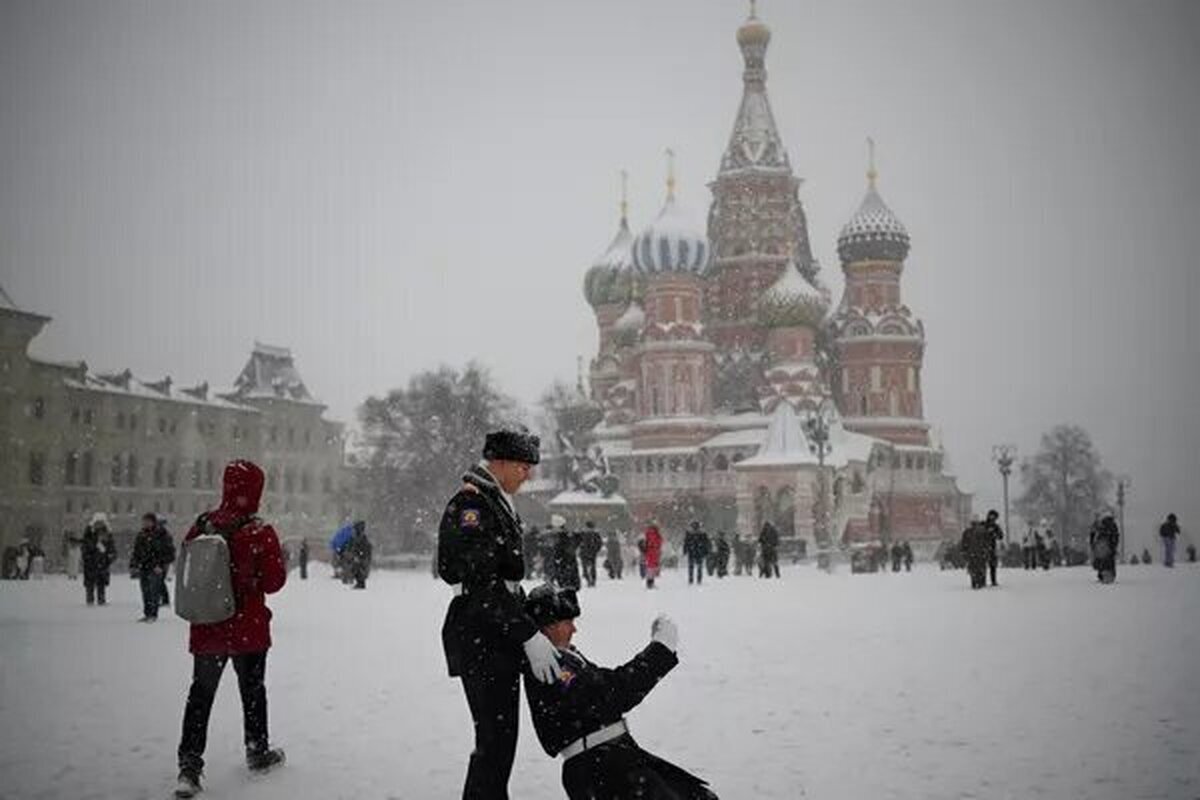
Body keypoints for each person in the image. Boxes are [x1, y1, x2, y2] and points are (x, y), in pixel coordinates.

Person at [436, 428, 562, 800]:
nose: (529, 475)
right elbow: (482, 586)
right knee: (494, 739)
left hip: (494, 629)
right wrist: (527, 634)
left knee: (501, 738)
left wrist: (540, 618)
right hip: (481, 632)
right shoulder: (472, 505)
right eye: (524, 467)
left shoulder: (493, 499)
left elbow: (502, 582)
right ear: (501, 462)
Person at [521, 585, 718, 799]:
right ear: (548, 628)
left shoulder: (564, 656)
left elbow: (607, 687)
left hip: (612, 759)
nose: (574, 630)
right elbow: (612, 693)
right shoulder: (549, 665)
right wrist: (660, 651)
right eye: (567, 623)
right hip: (600, 768)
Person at [175, 460, 287, 798]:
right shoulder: (259, 530)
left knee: (200, 695)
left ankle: (189, 766)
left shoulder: (202, 525)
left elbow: (187, 567)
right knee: (253, 692)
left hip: (208, 625)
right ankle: (257, 749)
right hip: (247, 628)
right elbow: (275, 580)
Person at [130, 512, 175, 622]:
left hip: (156, 567)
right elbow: (136, 552)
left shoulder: (162, 534)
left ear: (153, 522)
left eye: (147, 521)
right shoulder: (141, 535)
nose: (145, 524)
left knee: (154, 591)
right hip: (144, 567)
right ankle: (147, 613)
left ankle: (153, 614)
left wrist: (161, 565)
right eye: (144, 521)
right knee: (145, 592)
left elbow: (169, 552)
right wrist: (134, 564)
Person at [81, 513, 116, 605]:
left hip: (102, 562)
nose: (99, 525)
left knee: (101, 583)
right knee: (90, 583)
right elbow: (84, 546)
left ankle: (101, 599)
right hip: (91, 562)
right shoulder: (89, 533)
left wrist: (110, 557)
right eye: (97, 523)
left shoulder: (107, 534)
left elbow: (112, 547)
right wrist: (92, 548)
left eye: (101, 523)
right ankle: (90, 599)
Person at [550, 515, 582, 591]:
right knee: (569, 583)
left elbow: (559, 550)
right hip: (569, 563)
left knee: (565, 584)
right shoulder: (568, 536)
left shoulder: (561, 537)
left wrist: (557, 558)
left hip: (564, 563)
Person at [1090, 510, 1120, 584]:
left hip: (1101, 546)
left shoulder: (1100, 524)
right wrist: (1114, 545)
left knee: (1102, 561)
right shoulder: (1112, 524)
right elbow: (1115, 536)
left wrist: (1093, 545)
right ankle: (1108, 576)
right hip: (1107, 546)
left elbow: (1093, 534)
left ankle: (1103, 576)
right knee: (1109, 561)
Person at [961, 515, 989, 590]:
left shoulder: (967, 532)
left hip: (973, 553)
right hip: (979, 553)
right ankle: (980, 581)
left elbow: (964, 543)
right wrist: (986, 551)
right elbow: (986, 542)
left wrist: (964, 552)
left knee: (974, 568)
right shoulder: (982, 531)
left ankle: (975, 581)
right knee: (980, 568)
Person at [345, 520, 373, 590]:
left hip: (361, 557)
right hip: (360, 556)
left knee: (358, 568)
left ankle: (360, 582)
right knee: (356, 567)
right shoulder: (358, 538)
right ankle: (358, 582)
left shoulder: (361, 538)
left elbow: (365, 549)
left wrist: (359, 556)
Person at [683, 521, 709, 585]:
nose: (694, 527)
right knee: (695, 567)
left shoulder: (700, 533)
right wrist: (685, 550)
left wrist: (685, 550)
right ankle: (694, 579)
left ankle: (695, 579)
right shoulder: (699, 533)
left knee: (696, 567)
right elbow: (686, 542)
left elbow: (706, 543)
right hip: (696, 552)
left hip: (696, 552)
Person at [982, 509, 1004, 586]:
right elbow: (979, 534)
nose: (993, 518)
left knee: (992, 565)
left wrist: (995, 534)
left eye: (995, 517)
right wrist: (987, 533)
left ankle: (993, 580)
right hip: (984, 547)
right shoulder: (983, 524)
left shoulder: (996, 526)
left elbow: (1001, 536)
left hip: (991, 547)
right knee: (983, 565)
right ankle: (983, 580)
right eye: (992, 516)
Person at [579, 521, 603, 588]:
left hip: (591, 553)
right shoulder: (582, 534)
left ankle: (592, 580)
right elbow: (577, 542)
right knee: (585, 568)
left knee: (592, 567)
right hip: (584, 553)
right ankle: (588, 579)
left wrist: (596, 550)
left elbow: (599, 543)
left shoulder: (595, 534)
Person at [642, 524, 662, 589]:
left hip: (649, 553)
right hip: (653, 553)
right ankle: (650, 583)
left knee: (650, 568)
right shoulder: (655, 535)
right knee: (651, 568)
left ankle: (650, 583)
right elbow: (658, 542)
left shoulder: (648, 534)